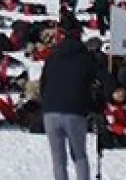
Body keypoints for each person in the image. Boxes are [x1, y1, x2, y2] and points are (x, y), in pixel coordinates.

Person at [40, 34, 100, 180]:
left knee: (58, 159)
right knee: (79, 156)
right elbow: (99, 81)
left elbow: (43, 85)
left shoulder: (52, 58)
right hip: (75, 112)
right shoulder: (85, 59)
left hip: (50, 112)